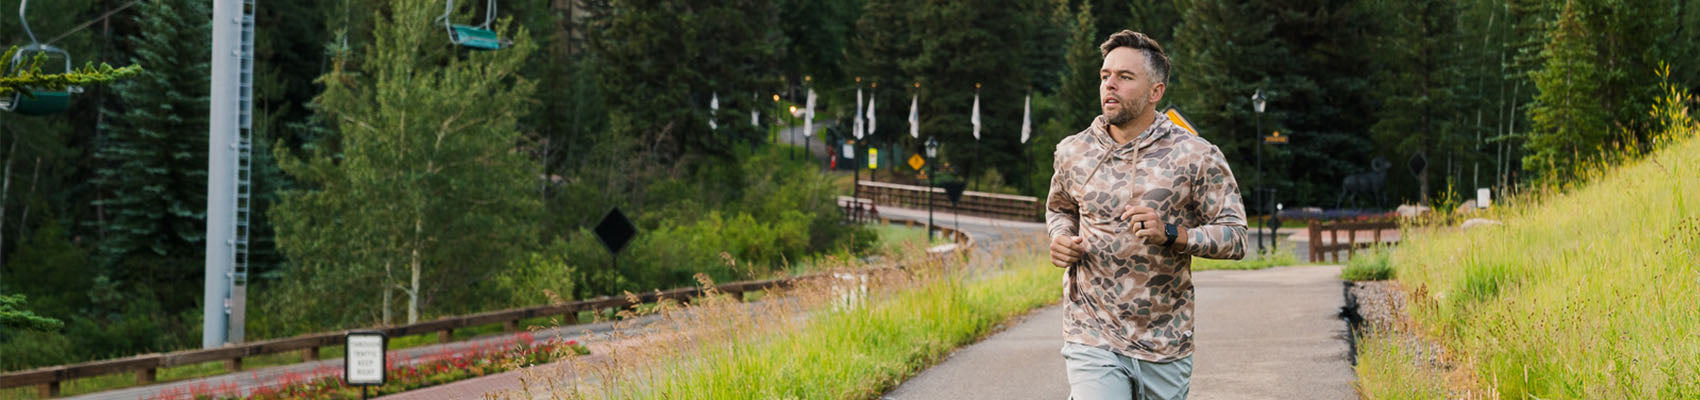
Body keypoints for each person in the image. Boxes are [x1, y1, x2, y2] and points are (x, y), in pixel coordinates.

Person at [1045, 30, 1247, 400]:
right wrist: (1059, 238)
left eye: (1125, 77)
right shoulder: (1073, 152)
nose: (1110, 85)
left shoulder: (1195, 155)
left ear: (1156, 91)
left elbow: (1235, 237)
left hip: (1165, 339)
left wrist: (1173, 233)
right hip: (1091, 330)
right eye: (1105, 75)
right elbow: (1060, 208)